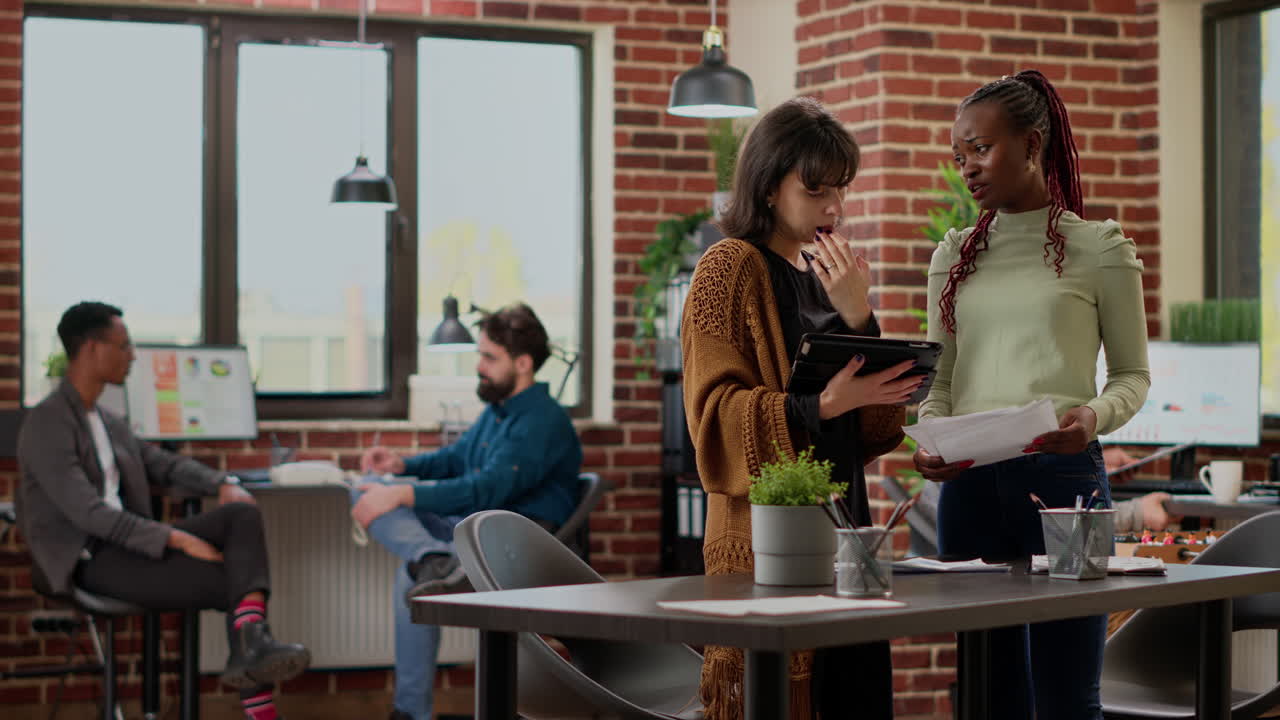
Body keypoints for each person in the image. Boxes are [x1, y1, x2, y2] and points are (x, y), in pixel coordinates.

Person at [913, 70, 1151, 720]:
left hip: (1066, 483)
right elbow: (939, 378)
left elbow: (1133, 377)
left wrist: (1093, 416)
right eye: (959, 154)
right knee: (989, 698)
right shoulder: (953, 256)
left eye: (981, 149)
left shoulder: (1099, 249)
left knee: (1068, 698)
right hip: (968, 485)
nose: (967, 167)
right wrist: (931, 435)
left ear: (1033, 143)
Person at [681, 96, 917, 720]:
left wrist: (860, 313)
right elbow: (713, 419)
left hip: (847, 533)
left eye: (841, 190)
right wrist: (821, 404)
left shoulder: (824, 279)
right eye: (816, 190)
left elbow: (878, 427)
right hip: (772, 542)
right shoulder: (727, 269)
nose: (834, 209)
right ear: (767, 188)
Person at [17, 302, 310, 720]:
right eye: (124, 345)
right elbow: (89, 514)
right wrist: (176, 538)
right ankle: (257, 684)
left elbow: (165, 464)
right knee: (235, 579)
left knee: (242, 515)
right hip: (91, 559)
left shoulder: (107, 420)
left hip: (130, 545)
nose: (133, 355)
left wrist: (223, 484)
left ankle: (251, 648)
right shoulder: (48, 423)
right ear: (92, 349)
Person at [351, 302, 583, 720]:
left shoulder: (541, 421)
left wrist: (404, 495)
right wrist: (401, 468)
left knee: (408, 572)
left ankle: (411, 707)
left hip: (514, 541)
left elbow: (486, 490)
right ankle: (432, 559)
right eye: (480, 355)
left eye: (489, 358)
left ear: (524, 363)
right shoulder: (499, 410)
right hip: (478, 529)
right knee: (363, 490)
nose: (479, 366)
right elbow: (457, 457)